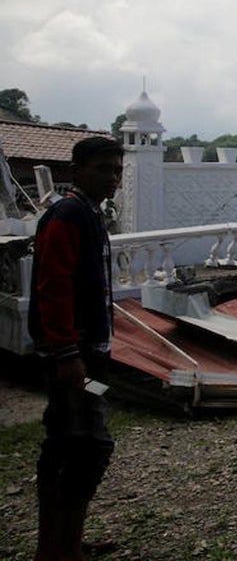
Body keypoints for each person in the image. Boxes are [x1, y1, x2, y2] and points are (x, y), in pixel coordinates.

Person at [29, 136, 124, 561]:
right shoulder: (69, 215)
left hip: (90, 353)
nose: (112, 178)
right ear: (76, 170)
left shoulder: (88, 214)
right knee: (81, 446)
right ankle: (57, 546)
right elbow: (54, 286)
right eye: (103, 169)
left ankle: (67, 538)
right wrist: (66, 351)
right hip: (74, 357)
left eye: (117, 170)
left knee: (78, 444)